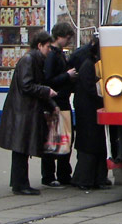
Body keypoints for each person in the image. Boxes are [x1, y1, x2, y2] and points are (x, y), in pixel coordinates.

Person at [0, 31, 58, 195]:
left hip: (24, 110)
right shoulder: (29, 61)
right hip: (22, 111)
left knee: (22, 148)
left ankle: (21, 182)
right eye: (48, 47)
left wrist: (51, 103)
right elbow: (27, 85)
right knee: (21, 148)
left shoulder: (33, 60)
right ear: (40, 45)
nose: (50, 51)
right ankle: (20, 184)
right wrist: (46, 91)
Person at [70, 38, 110, 190]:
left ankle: (94, 177)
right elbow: (91, 89)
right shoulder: (89, 65)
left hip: (88, 108)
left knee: (94, 143)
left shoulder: (89, 64)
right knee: (91, 143)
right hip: (88, 110)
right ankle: (85, 178)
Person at [41, 22, 78, 187]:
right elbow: (49, 80)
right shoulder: (52, 56)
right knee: (55, 140)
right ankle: (51, 175)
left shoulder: (57, 54)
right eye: (67, 37)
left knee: (63, 138)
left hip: (61, 101)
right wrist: (67, 76)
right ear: (59, 37)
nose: (68, 41)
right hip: (56, 103)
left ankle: (62, 174)